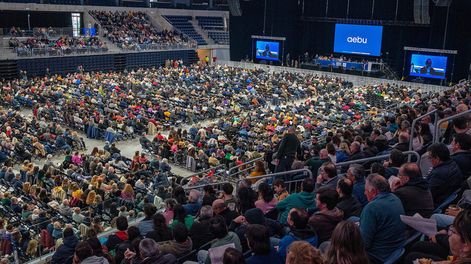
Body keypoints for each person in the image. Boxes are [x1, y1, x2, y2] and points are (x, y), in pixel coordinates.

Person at [360, 174, 405, 263]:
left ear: (374, 191)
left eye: (365, 190)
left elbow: (364, 243)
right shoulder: (395, 198)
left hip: (377, 255)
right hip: (394, 250)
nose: (364, 193)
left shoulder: (371, 208)